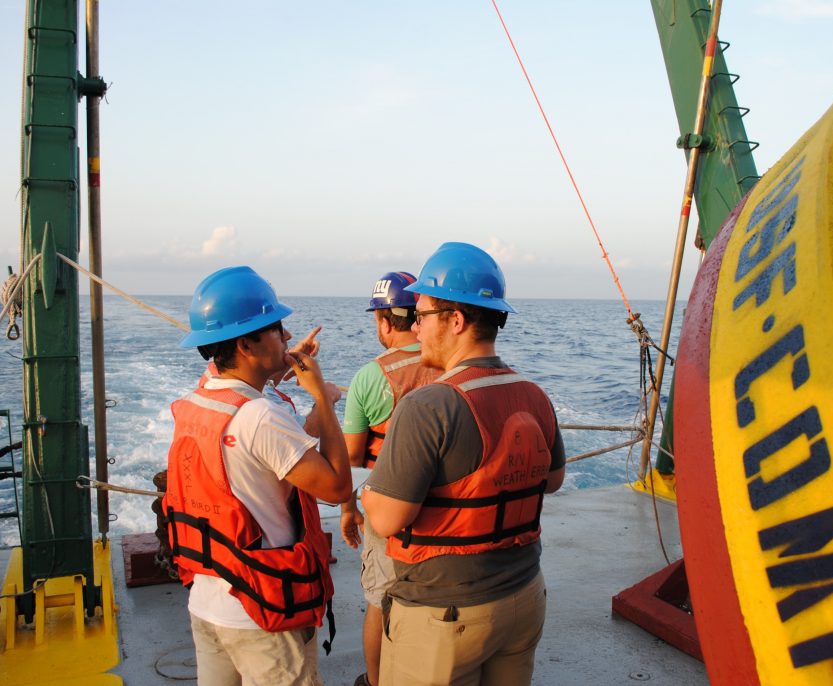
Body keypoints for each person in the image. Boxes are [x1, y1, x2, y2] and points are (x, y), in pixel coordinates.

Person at [361, 243, 566, 686]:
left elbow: (386, 517)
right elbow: (553, 481)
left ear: (455, 320)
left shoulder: (428, 405)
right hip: (524, 596)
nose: (415, 327)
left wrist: (368, 490)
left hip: (444, 616)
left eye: (422, 314)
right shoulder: (534, 394)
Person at [163, 266, 352, 686]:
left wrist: (280, 369)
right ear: (246, 343)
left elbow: (274, 450)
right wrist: (322, 397)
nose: (287, 337)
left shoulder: (202, 397)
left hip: (209, 604)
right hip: (261, 613)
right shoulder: (261, 418)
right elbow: (337, 487)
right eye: (276, 329)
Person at [339, 271, 442, 686]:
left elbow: (351, 461)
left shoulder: (369, 377)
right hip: (443, 513)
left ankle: (378, 681)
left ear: (384, 321)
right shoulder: (449, 364)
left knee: (380, 601)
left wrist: (349, 511)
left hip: (387, 515)